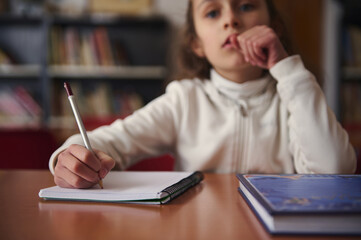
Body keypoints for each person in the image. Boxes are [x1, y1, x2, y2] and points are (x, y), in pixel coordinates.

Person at [50, 0, 356, 189]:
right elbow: (111, 140)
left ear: (273, 27)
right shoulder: (184, 101)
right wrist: (70, 156)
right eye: (212, 12)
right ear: (197, 43)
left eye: (246, 6)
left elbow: (335, 170)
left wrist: (286, 68)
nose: (231, 20)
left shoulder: (295, 97)